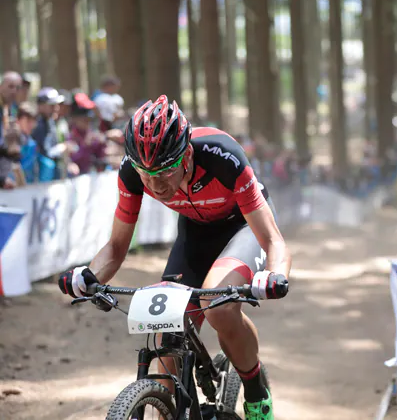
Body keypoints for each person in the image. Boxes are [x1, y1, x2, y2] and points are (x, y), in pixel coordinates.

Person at [58, 95, 290, 419]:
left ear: (187, 154)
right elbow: (115, 247)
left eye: (165, 171)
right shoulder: (132, 170)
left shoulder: (222, 154)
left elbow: (273, 239)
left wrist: (275, 274)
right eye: (145, 173)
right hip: (195, 234)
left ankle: (255, 393)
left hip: (243, 226)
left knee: (218, 309)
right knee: (167, 329)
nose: (155, 183)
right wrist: (89, 275)